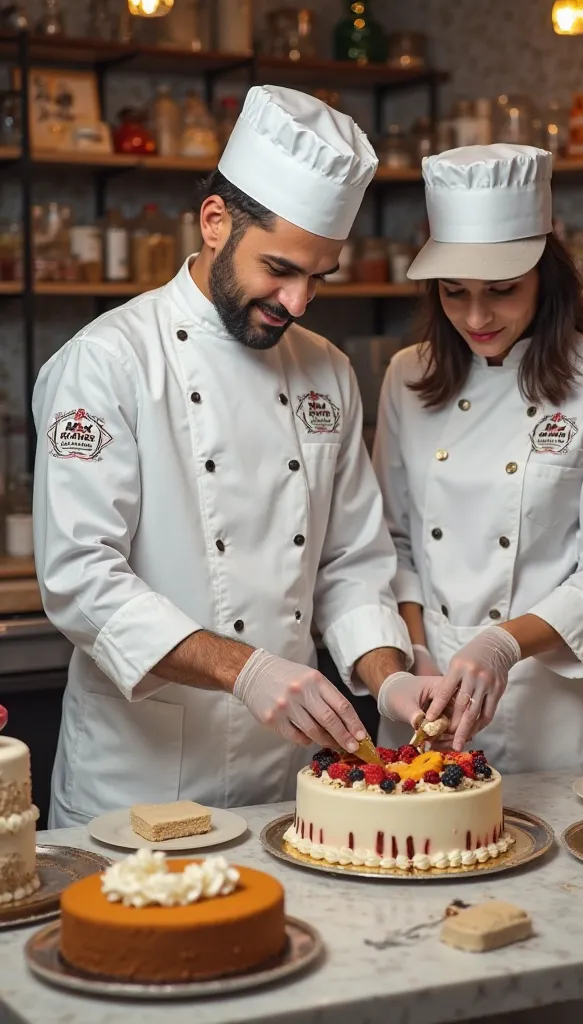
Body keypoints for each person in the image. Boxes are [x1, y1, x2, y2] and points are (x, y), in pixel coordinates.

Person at [33, 85, 414, 829]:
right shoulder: (108, 363)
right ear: (215, 222)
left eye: (318, 277)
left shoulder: (328, 370)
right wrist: (247, 670)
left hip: (285, 779)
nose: (299, 301)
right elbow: (80, 578)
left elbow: (350, 563)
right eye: (281, 268)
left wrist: (388, 677)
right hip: (137, 783)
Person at [373, 143, 583, 772]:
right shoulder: (406, 376)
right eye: (454, 293)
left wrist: (503, 643)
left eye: (502, 290)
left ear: (544, 276)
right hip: (428, 696)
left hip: (547, 704)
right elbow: (393, 540)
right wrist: (415, 655)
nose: (477, 316)